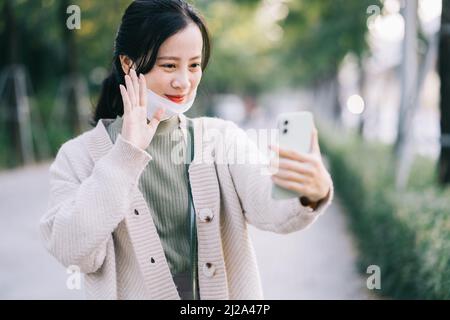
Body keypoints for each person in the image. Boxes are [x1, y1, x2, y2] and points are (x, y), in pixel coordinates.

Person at [40, 0, 333, 300]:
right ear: (128, 63)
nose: (184, 81)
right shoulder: (77, 157)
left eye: (194, 65)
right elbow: (73, 250)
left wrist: (310, 192)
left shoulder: (221, 139)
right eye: (169, 65)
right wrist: (125, 155)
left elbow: (269, 208)